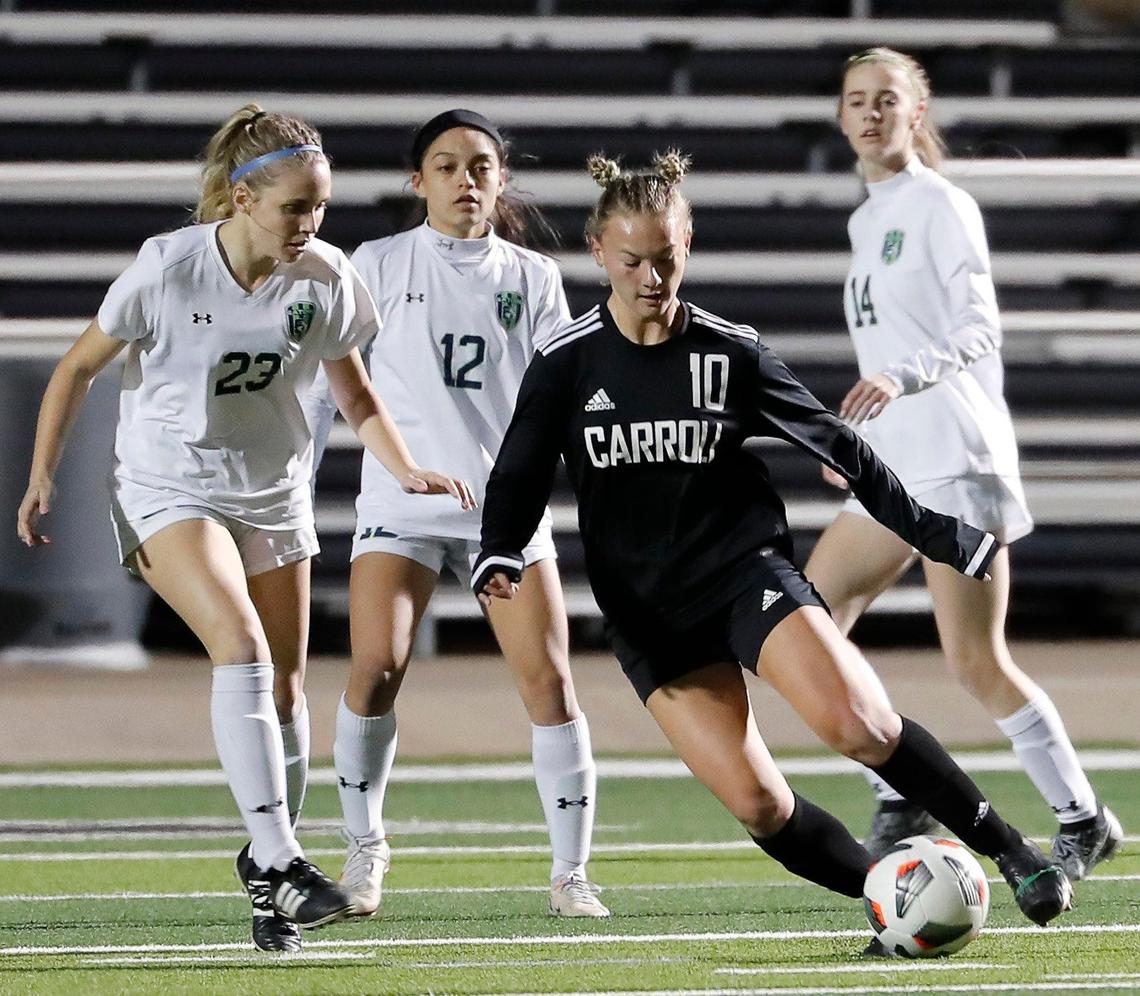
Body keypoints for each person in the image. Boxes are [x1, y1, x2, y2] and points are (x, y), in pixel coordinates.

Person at [471, 150, 1074, 950]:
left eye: (666, 258)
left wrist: (935, 531)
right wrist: (498, 549)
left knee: (857, 722)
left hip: (744, 574)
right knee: (759, 806)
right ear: (597, 255)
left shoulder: (729, 350)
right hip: (650, 616)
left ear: (688, 246)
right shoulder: (566, 361)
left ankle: (1011, 850)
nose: (651, 277)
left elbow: (841, 446)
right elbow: (517, 469)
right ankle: (890, 897)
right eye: (632, 261)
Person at [15, 104, 473, 953]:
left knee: (289, 694)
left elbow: (357, 393)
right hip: (167, 486)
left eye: (321, 206)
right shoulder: (168, 268)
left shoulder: (327, 278)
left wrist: (404, 465)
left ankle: (267, 884)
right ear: (241, 199)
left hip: (273, 492)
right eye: (296, 206)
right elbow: (77, 369)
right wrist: (42, 473)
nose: (310, 223)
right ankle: (282, 858)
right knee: (242, 649)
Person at [803, 47, 1122, 876]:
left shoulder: (941, 205)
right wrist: (866, 445)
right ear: (840, 118)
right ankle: (901, 786)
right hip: (900, 464)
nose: (871, 113)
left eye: (888, 100)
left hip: (956, 456)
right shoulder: (867, 217)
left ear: (918, 112)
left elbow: (982, 328)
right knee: (809, 622)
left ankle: (1082, 818)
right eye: (856, 100)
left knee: (976, 661)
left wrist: (899, 379)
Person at [303, 109, 608, 919]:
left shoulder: (534, 277)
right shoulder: (374, 262)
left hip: (501, 514)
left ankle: (570, 874)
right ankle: (365, 849)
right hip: (402, 502)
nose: (465, 180)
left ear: (501, 178)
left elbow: (556, 398)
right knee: (375, 666)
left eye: (480, 166)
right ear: (419, 182)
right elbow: (335, 371)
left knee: (549, 686)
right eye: (446, 166)